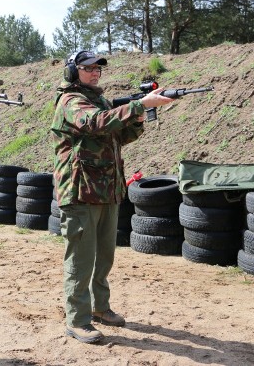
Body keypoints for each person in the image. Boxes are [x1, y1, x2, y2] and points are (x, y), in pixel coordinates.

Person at [50, 50, 174, 344]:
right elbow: (95, 123)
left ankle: (99, 307)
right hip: (80, 192)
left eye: (98, 69)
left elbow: (120, 136)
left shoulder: (100, 102)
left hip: (106, 190)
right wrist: (138, 105)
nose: (95, 73)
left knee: (104, 257)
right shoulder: (70, 102)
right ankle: (77, 320)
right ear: (73, 72)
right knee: (81, 260)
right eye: (88, 68)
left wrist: (140, 115)